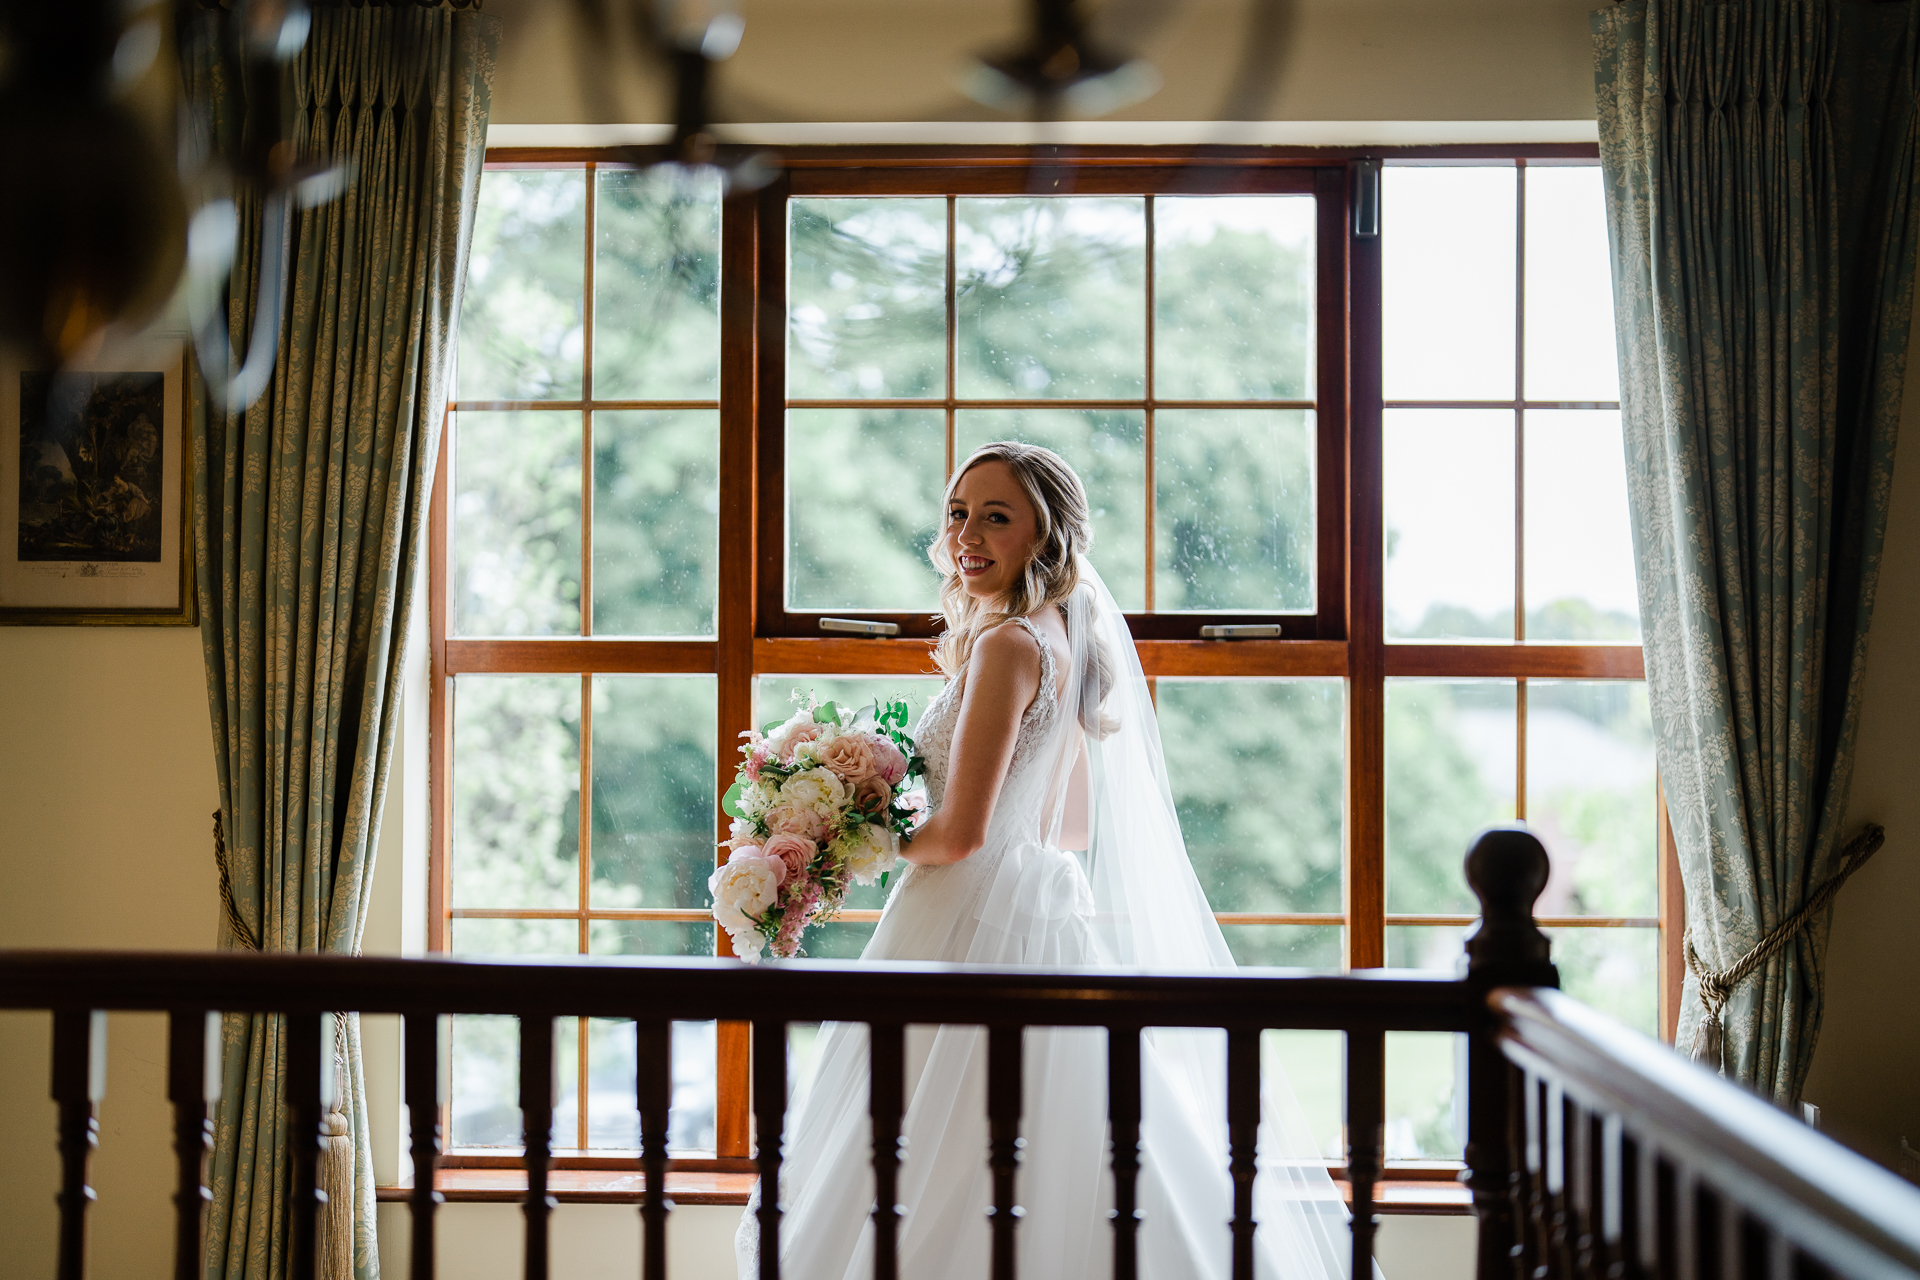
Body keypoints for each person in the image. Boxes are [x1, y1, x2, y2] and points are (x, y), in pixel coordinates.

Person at [736, 442, 1359, 1279]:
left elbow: (959, 837)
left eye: (997, 517)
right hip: (1032, 908)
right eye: (958, 514)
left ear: (1046, 536)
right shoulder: (1063, 637)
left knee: (932, 1141)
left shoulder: (1006, 647)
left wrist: (847, 840)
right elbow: (1064, 826)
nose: (968, 535)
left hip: (962, 916)